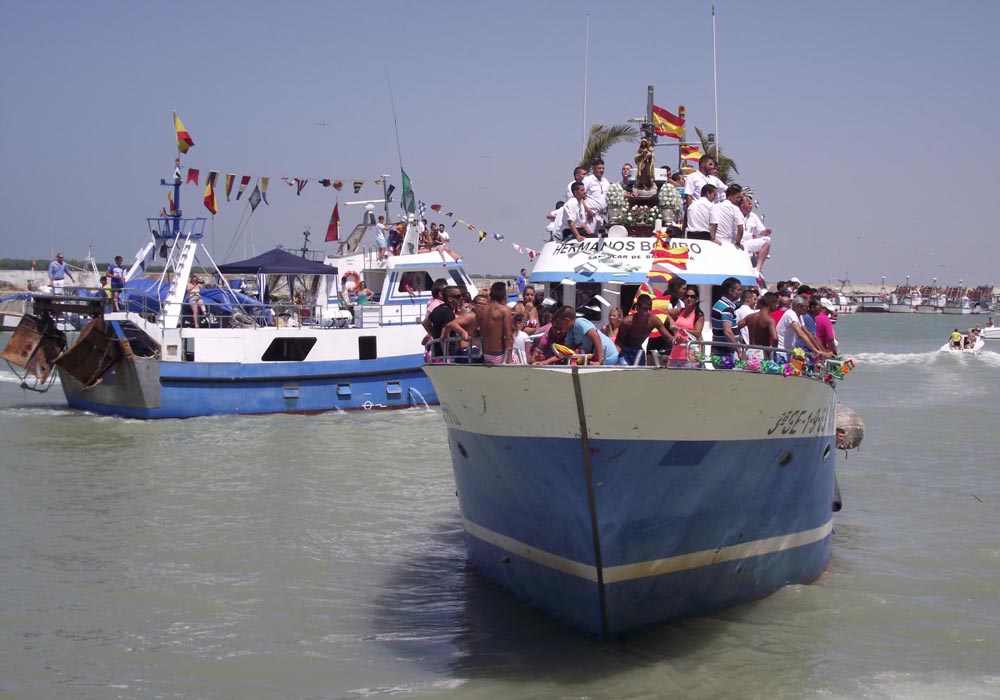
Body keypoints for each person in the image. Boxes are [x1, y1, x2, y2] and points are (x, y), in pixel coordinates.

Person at [616, 294, 674, 365]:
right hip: (625, 351)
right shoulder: (627, 322)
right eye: (645, 309)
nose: (648, 312)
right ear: (637, 308)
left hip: (639, 350)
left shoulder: (654, 321)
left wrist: (677, 341)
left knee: (641, 373)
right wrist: (614, 357)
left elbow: (668, 338)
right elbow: (619, 343)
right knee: (625, 370)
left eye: (650, 308)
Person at [551, 305, 619, 365]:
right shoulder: (570, 332)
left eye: (560, 326)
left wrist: (599, 361)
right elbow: (567, 352)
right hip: (595, 357)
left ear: (567, 321)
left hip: (609, 356)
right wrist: (547, 361)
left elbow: (596, 337)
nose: (558, 330)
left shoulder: (579, 323)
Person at [776, 295, 830, 359]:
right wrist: (815, 351)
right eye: (806, 307)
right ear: (799, 306)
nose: (808, 309)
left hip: (789, 351)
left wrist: (821, 351)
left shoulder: (799, 316)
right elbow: (801, 334)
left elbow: (808, 333)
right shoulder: (791, 314)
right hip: (782, 351)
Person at [477, 281, 515, 365]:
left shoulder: (480, 310)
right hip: (499, 355)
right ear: (504, 296)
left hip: (485, 353)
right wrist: (509, 360)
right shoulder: (504, 310)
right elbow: (509, 336)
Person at [668, 285, 705, 367]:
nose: (689, 298)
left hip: (690, 356)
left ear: (697, 299)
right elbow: (665, 313)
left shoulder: (699, 315)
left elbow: (697, 333)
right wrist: (672, 323)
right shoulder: (680, 311)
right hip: (675, 354)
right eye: (687, 296)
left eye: (692, 296)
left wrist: (679, 329)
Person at [711, 277, 743, 360]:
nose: (740, 292)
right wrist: (738, 350)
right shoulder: (727, 309)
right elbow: (728, 332)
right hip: (724, 351)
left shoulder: (718, 304)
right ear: (731, 291)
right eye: (738, 290)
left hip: (717, 348)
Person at [739, 195, 772, 276]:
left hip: (748, 243)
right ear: (742, 204)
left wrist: (766, 231)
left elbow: (761, 232)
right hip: (736, 242)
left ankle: (757, 269)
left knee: (767, 240)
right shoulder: (735, 213)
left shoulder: (753, 216)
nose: (751, 206)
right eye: (749, 203)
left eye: (751, 204)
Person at [709, 185, 745, 249]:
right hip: (728, 243)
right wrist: (738, 243)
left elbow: (713, 224)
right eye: (737, 197)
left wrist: (713, 238)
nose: (738, 200)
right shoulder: (735, 209)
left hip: (715, 242)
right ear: (731, 196)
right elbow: (740, 229)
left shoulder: (715, 206)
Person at [583, 159, 611, 230]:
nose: (601, 170)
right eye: (599, 168)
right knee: (589, 237)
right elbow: (579, 197)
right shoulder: (588, 180)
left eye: (603, 168)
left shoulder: (605, 181)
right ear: (593, 168)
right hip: (590, 215)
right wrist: (588, 210)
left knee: (599, 238)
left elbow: (612, 191)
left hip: (601, 216)